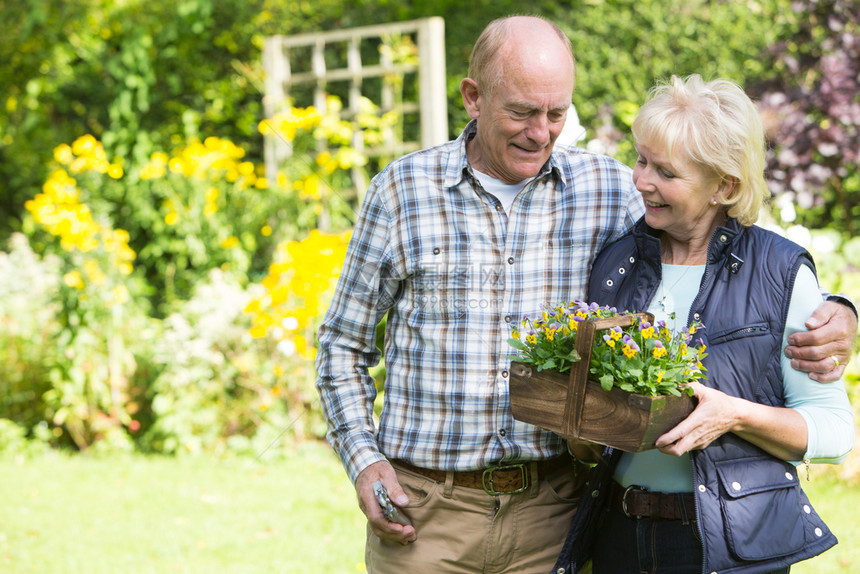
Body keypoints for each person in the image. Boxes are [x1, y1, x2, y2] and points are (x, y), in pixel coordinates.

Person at [315, 16, 857, 574]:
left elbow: (728, 246)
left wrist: (838, 310)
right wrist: (363, 460)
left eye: (557, 114)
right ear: (473, 98)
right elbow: (341, 343)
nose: (541, 132)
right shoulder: (403, 191)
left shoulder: (607, 188)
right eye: (522, 112)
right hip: (427, 514)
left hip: (554, 513)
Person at [553, 75, 855, 574]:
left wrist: (733, 415)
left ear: (724, 186)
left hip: (728, 543)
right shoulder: (616, 263)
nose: (642, 180)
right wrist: (580, 425)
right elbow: (595, 435)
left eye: (665, 172)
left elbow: (835, 432)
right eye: (641, 159)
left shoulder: (779, 271)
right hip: (619, 537)